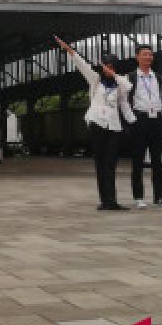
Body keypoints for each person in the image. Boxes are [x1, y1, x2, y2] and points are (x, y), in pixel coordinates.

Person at [54, 36, 135, 210]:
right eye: (105, 66)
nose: (107, 69)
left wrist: (132, 121)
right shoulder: (96, 80)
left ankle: (112, 200)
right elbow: (82, 65)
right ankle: (105, 201)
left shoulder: (121, 83)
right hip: (97, 124)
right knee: (100, 162)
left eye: (111, 66)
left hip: (113, 126)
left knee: (110, 163)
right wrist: (69, 50)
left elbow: (128, 91)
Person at [127, 44, 162, 208]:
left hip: (157, 120)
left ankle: (159, 197)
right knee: (138, 161)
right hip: (140, 119)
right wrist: (131, 120)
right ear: (137, 57)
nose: (148, 57)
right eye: (145, 54)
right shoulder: (131, 77)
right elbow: (125, 101)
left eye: (151, 55)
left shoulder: (158, 78)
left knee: (157, 161)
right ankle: (138, 197)